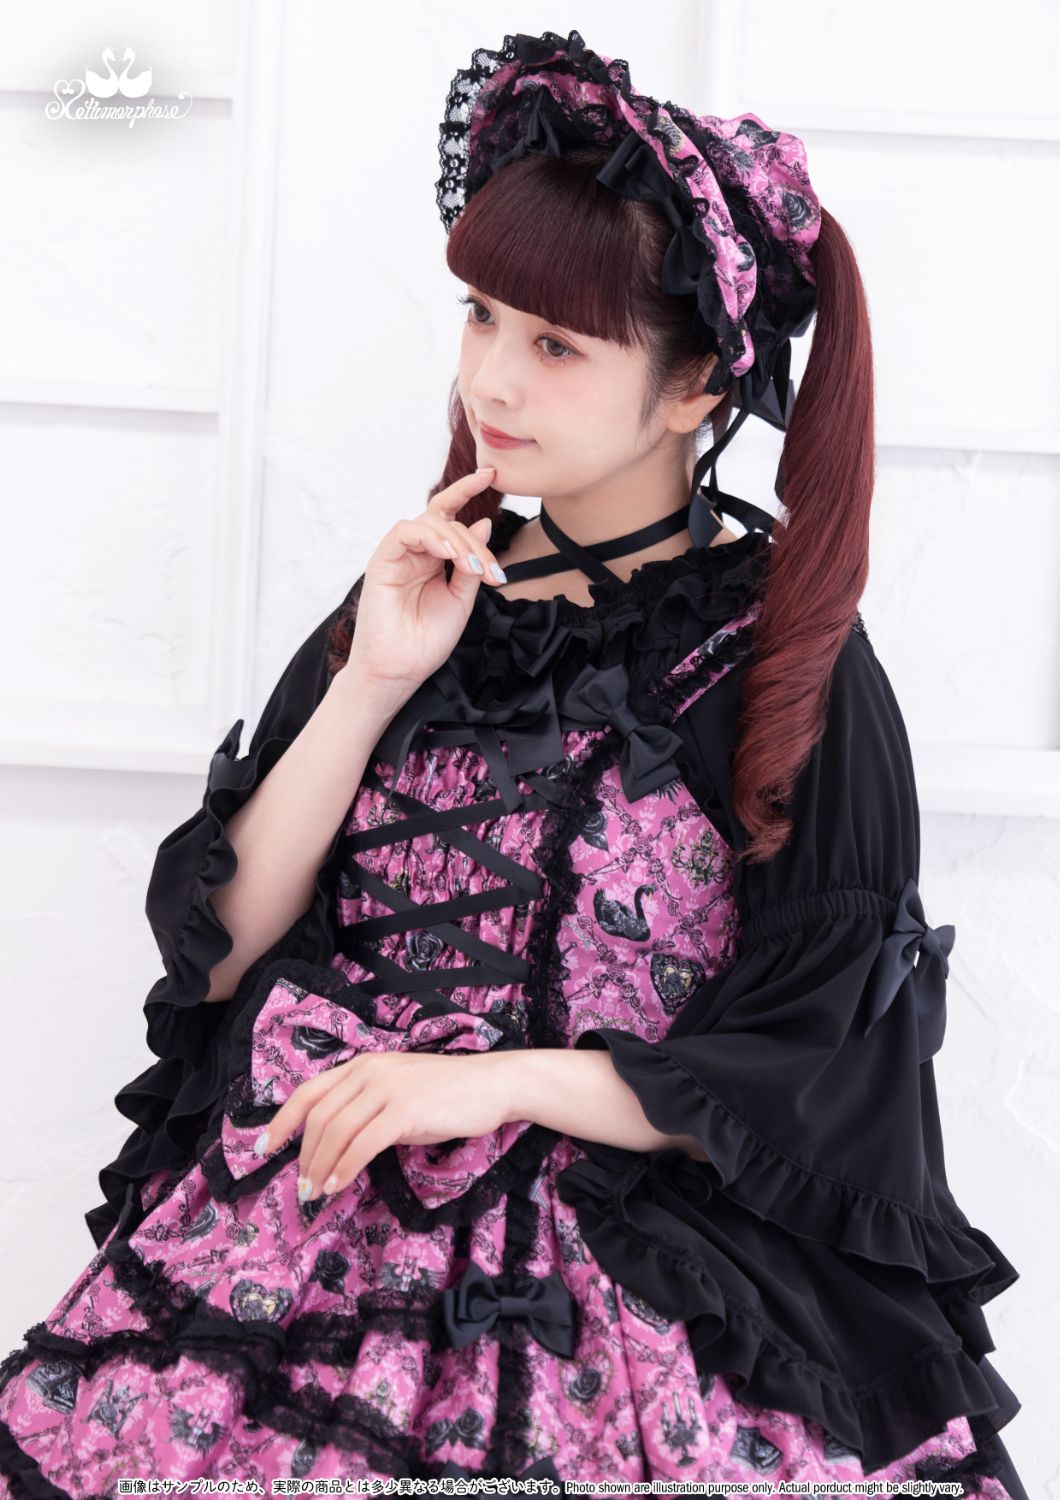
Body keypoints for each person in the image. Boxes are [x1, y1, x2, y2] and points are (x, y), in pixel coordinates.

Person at [0, 28, 1028, 1498]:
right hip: (315, 1230)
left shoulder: (780, 661)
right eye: (481, 317)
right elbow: (217, 958)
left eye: (555, 345)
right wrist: (374, 676)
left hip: (637, 1262)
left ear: (695, 388)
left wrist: (487, 1084)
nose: (492, 377)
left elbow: (818, 1073)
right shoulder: (420, 590)